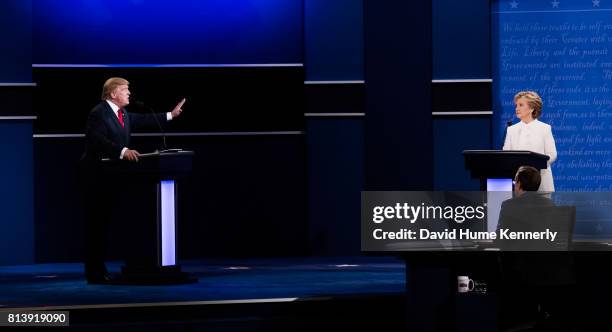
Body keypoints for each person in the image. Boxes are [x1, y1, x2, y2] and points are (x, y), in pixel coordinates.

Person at [80, 77, 185, 284]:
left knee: (107, 225)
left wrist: (170, 115)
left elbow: (144, 119)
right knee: (97, 226)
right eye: (125, 90)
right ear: (112, 93)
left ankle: (104, 269)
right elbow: (97, 140)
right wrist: (123, 150)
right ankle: (94, 272)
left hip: (114, 177)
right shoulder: (98, 113)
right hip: (96, 177)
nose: (129, 93)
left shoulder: (124, 114)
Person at [503, 91, 557, 192]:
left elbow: (552, 154)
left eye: (521, 105)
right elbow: (506, 154)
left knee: (542, 207)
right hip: (519, 182)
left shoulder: (545, 128)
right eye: (516, 105)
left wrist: (535, 167)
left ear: (532, 108)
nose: (517, 108)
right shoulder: (511, 130)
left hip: (541, 179)